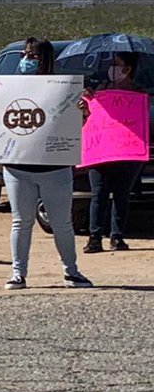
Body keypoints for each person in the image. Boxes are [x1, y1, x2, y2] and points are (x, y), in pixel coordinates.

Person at [0, 37, 93, 291]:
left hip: (54, 169)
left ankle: (71, 272)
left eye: (32, 56)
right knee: (20, 222)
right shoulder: (8, 88)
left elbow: (70, 129)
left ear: (44, 59)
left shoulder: (63, 89)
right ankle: (17, 274)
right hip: (17, 168)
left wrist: (82, 113)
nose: (26, 60)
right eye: (25, 55)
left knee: (62, 224)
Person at [80, 51, 146, 253]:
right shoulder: (100, 90)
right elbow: (87, 117)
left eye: (117, 65)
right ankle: (95, 237)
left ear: (128, 69)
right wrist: (85, 101)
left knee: (121, 195)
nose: (112, 69)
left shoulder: (139, 94)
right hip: (101, 151)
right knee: (98, 193)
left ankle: (117, 236)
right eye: (112, 65)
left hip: (127, 152)